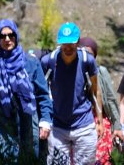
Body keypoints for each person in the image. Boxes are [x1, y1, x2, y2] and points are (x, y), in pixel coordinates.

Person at [0, 19, 52, 164]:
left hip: (29, 129)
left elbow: (43, 95)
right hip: (2, 132)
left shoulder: (31, 63)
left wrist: (45, 121)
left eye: (11, 35)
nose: (7, 39)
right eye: (2, 36)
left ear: (16, 36)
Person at [38, 22, 105, 165]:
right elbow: (40, 92)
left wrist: (99, 120)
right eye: (64, 44)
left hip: (84, 124)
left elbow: (95, 91)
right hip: (57, 125)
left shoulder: (88, 61)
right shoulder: (48, 61)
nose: (68, 48)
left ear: (78, 42)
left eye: (71, 43)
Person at [76, 37, 122, 165]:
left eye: (89, 54)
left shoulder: (101, 72)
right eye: (82, 52)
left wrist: (117, 125)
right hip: (78, 122)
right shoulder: (71, 72)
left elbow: (111, 99)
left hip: (99, 123)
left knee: (100, 160)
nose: (85, 57)